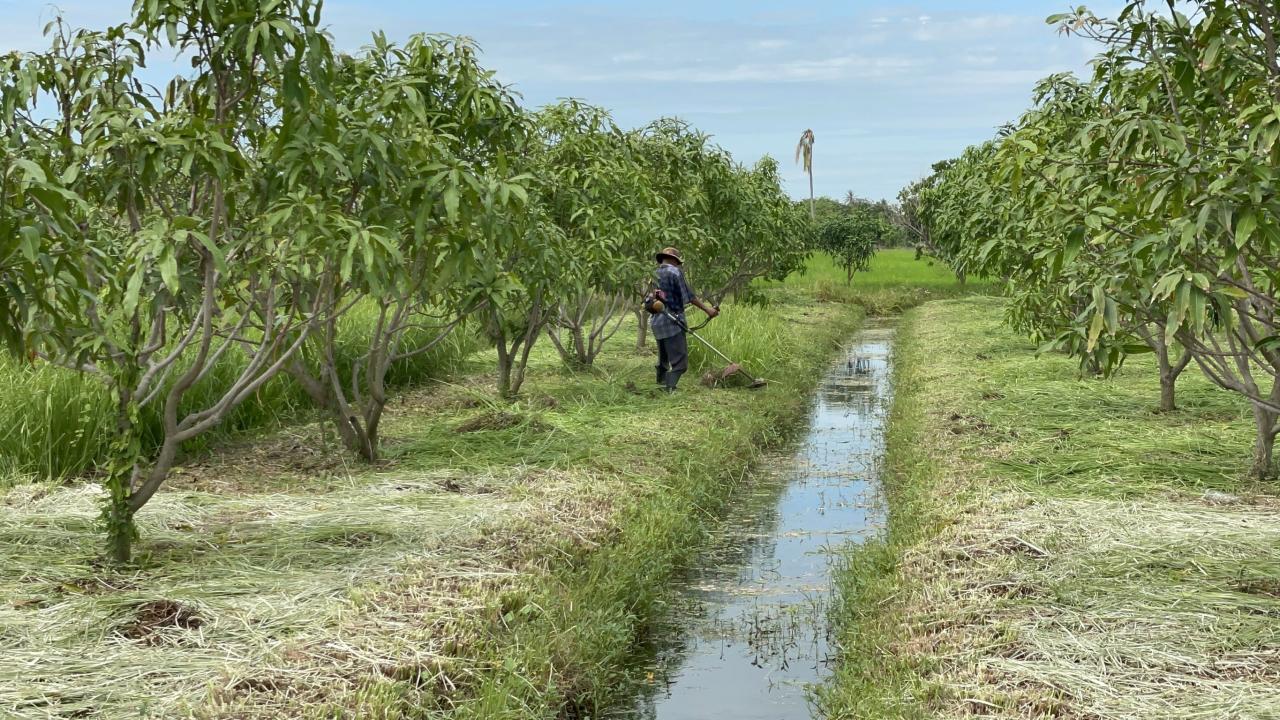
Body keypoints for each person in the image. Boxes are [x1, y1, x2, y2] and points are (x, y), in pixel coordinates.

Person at [650, 247, 718, 392]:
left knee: (664, 357)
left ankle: (661, 382)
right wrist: (708, 310)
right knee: (680, 361)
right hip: (672, 322)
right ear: (675, 260)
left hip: (657, 321)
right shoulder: (675, 272)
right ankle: (669, 387)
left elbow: (656, 296)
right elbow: (689, 297)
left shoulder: (654, 273)